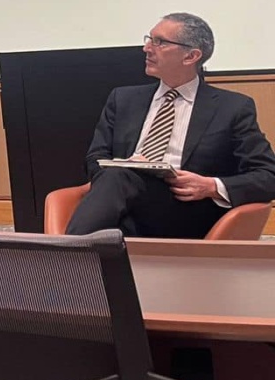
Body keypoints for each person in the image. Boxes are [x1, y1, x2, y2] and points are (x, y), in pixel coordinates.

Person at [66, 13, 275, 238]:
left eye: (160, 42)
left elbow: (268, 175)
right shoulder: (123, 99)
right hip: (122, 206)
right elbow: (94, 159)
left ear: (191, 56)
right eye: (149, 39)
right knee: (117, 179)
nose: (146, 48)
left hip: (185, 212)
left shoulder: (232, 108)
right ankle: (74, 253)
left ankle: (64, 253)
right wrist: (127, 166)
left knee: (117, 181)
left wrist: (211, 186)